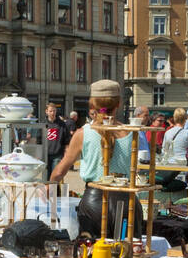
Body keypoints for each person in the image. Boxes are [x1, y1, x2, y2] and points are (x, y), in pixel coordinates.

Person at [50, 81, 142, 238]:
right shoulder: (131, 133)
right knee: (126, 257)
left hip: (94, 203)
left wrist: (50, 188)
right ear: (118, 103)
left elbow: (60, 171)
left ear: (92, 105)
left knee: (93, 256)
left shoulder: (82, 133)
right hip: (128, 202)